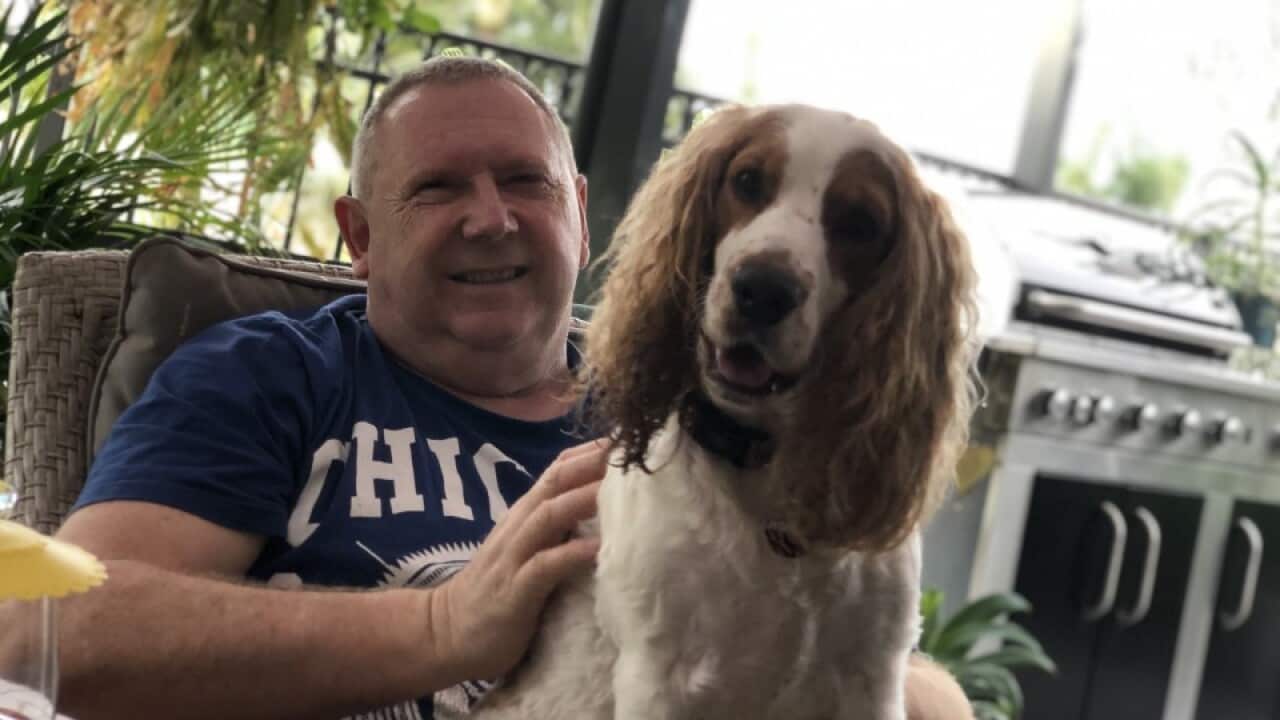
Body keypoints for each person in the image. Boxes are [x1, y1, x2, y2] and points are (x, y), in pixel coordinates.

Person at [43, 56, 973, 720]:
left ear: (577, 206)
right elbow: (47, 634)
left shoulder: (700, 410)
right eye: (439, 189)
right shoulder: (274, 373)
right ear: (360, 236)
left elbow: (861, 668)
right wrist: (445, 625)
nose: (491, 220)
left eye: (525, 182)